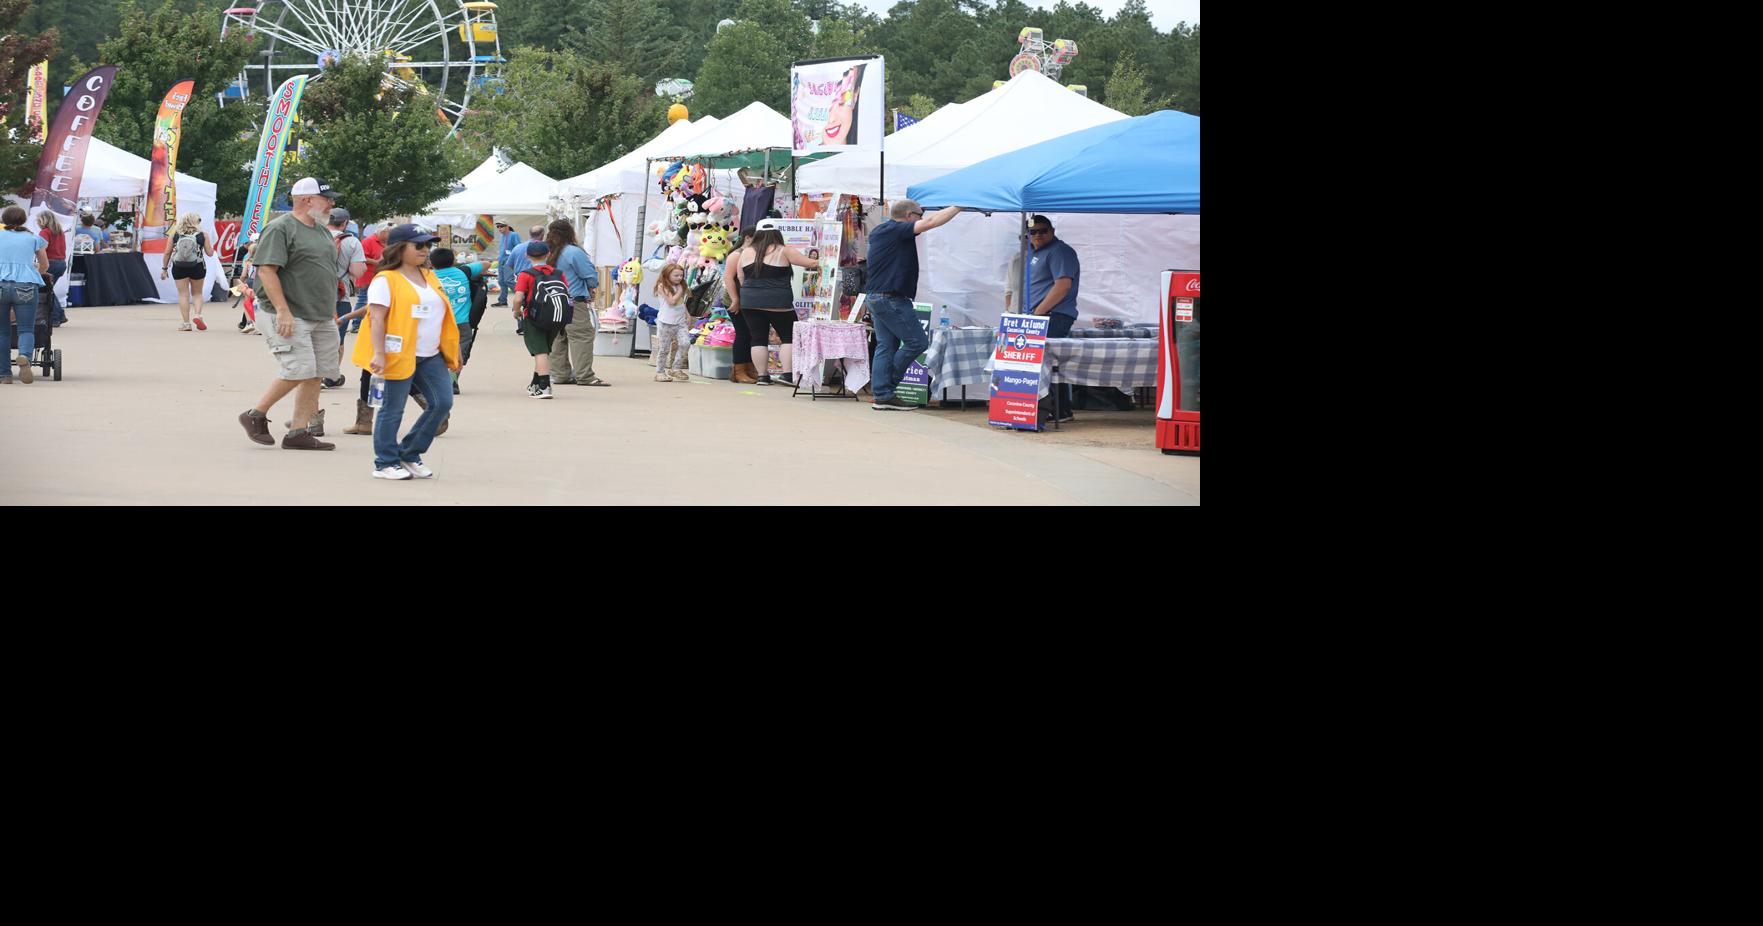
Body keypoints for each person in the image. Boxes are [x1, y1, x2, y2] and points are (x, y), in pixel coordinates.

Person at [237, 177, 344, 450]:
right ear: (307, 199)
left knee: (316, 373)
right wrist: (283, 311)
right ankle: (255, 415)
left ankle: (298, 432)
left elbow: (324, 272)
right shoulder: (280, 228)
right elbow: (266, 270)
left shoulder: (320, 231)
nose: (332, 202)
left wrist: (329, 307)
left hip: (319, 313)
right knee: (299, 369)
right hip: (288, 313)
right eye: (327, 197)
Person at [354, 224, 459, 480]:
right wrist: (378, 354)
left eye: (428, 245)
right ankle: (385, 462)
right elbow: (376, 319)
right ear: (399, 248)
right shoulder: (385, 279)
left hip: (430, 353)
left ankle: (410, 453)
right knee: (393, 408)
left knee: (442, 403)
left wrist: (453, 350)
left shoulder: (430, 276)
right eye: (419, 245)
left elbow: (441, 315)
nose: (425, 250)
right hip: (398, 352)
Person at [861, 198, 960, 410]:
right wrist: (959, 206)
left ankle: (881, 393)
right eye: (918, 215)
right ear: (908, 216)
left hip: (877, 296)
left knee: (886, 346)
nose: (921, 219)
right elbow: (931, 223)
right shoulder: (897, 230)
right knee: (917, 342)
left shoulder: (882, 230)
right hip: (890, 298)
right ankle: (886, 389)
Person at [726, 219, 817, 387]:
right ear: (777, 233)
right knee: (789, 336)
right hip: (778, 301)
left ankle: (762, 376)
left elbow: (740, 277)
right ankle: (787, 374)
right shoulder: (784, 250)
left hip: (750, 301)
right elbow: (810, 263)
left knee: (758, 338)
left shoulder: (745, 252)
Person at [1026, 214, 1081, 423]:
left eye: (1043, 231)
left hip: (1053, 316)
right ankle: (1057, 409)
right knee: (1045, 362)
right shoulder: (1036, 253)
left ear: (1052, 231)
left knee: (1047, 363)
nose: (1038, 235)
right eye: (1033, 232)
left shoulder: (1060, 251)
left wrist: (1038, 313)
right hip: (1043, 315)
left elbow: (1063, 285)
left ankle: (1059, 410)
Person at [543, 219, 606, 386]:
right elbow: (589, 275)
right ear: (570, 232)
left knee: (557, 338)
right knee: (581, 337)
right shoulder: (573, 252)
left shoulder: (546, 251)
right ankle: (584, 375)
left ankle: (559, 374)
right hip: (572, 301)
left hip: (550, 301)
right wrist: (591, 289)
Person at [509, 239, 565, 399]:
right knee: (544, 351)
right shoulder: (558, 273)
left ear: (527, 256)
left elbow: (518, 297)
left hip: (534, 317)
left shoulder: (526, 274)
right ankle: (535, 384)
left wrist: (516, 311)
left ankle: (544, 387)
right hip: (556, 316)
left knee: (540, 351)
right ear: (548, 254)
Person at [1, 206, 49, 385]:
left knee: (2, 331)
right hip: (26, 286)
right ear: (23, 220)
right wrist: (32, 270)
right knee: (26, 328)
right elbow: (44, 265)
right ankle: (24, 356)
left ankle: (4, 375)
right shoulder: (33, 238)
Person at [429, 246, 486, 393]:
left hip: (437, 322)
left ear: (431, 263)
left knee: (436, 351)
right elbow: (486, 264)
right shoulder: (464, 271)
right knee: (460, 350)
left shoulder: (428, 276)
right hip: (462, 322)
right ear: (454, 261)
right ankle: (452, 381)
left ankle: (437, 381)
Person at [325, 207, 367, 388]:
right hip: (338, 295)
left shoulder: (312, 236)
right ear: (345, 223)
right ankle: (331, 376)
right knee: (337, 338)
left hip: (309, 296)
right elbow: (358, 271)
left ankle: (310, 375)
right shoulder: (351, 242)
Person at [160, 212, 214, 332]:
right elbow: (210, 253)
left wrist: (164, 269)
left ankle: (186, 323)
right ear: (195, 222)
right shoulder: (203, 235)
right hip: (198, 266)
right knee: (197, 294)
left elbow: (167, 253)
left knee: (183, 294)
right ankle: (198, 315)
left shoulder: (174, 234)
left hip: (179, 267)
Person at [723, 233, 756, 383]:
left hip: (748, 299)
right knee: (743, 333)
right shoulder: (736, 255)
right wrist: (735, 299)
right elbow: (728, 277)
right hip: (735, 299)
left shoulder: (752, 253)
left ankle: (749, 368)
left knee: (750, 334)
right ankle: (738, 371)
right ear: (747, 238)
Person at [650, 262, 691, 383]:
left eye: (681, 275)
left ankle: (676, 368)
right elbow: (672, 301)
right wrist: (681, 290)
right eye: (676, 275)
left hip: (680, 322)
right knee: (664, 349)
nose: (679, 278)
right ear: (667, 275)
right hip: (665, 322)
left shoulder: (679, 287)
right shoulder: (662, 286)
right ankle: (660, 372)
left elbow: (681, 303)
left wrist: (687, 314)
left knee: (685, 343)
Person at [350, 226, 387, 333]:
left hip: (379, 276)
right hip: (368, 275)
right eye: (388, 233)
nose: (390, 235)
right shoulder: (368, 241)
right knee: (363, 299)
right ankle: (356, 323)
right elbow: (361, 257)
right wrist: (377, 262)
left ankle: (364, 322)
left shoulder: (385, 243)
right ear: (382, 231)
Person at [36, 211, 68, 327]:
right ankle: (59, 315)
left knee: (47, 290)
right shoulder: (59, 232)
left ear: (43, 220)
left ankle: (56, 316)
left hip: (50, 263)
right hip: (61, 263)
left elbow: (42, 248)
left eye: (38, 220)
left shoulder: (44, 232)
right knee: (49, 289)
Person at [494, 220, 526, 307]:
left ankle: (523, 298)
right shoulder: (502, 236)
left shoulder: (514, 235)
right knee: (501, 281)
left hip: (509, 260)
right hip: (501, 260)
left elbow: (518, 247)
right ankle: (502, 301)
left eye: (501, 226)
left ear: (507, 226)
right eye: (498, 226)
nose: (499, 228)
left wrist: (514, 260)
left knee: (508, 280)